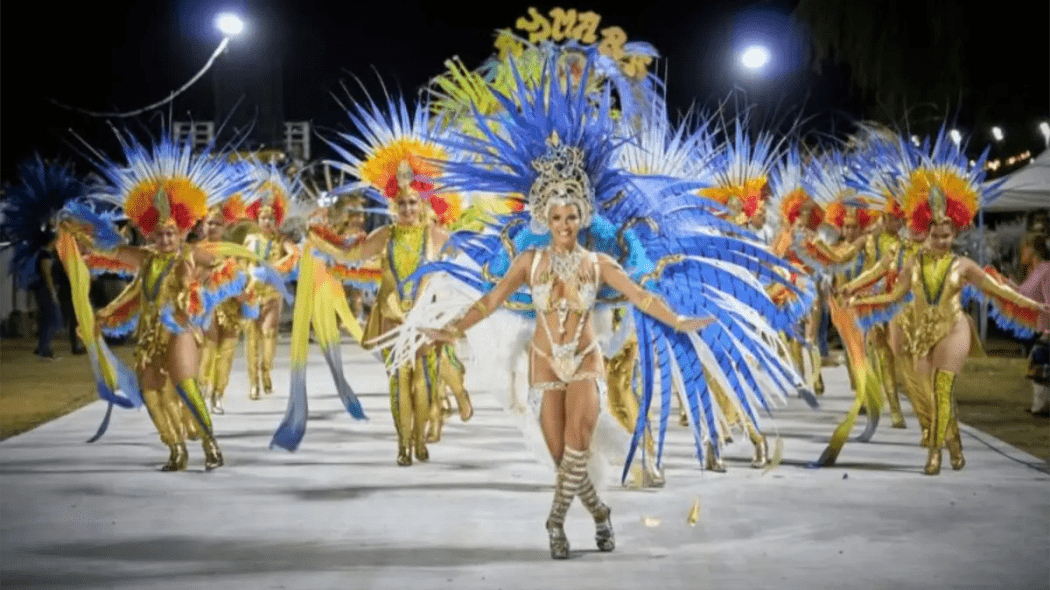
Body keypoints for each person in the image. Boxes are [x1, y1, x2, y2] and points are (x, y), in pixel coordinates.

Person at [423, 133, 714, 559]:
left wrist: (678, 321)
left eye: (571, 216)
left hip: (584, 362)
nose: (564, 224)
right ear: (544, 218)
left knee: (579, 441)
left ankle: (555, 523)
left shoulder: (599, 264)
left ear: (583, 218)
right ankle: (599, 513)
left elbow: (641, 297)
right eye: (556, 217)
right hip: (544, 364)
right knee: (563, 461)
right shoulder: (529, 262)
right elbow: (490, 301)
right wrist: (453, 329)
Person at [847, 137, 1050, 475]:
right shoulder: (909, 260)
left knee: (942, 391)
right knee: (924, 391)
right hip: (919, 330)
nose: (942, 241)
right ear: (924, 232)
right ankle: (952, 440)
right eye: (935, 235)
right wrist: (862, 297)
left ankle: (936, 453)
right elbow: (893, 294)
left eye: (947, 235)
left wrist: (1038, 307)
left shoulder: (964, 265)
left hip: (953, 329)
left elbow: (1002, 293)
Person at [243, 168, 300, 400]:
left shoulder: (282, 240)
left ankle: (266, 373)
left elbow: (294, 254)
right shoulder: (250, 240)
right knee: (251, 338)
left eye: (270, 218)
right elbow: (241, 262)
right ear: (257, 219)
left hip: (273, 294)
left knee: (269, 336)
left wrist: (275, 269)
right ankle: (253, 383)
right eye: (263, 218)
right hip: (251, 293)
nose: (266, 222)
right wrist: (251, 274)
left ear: (277, 220)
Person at [1018, 232, 1050, 415]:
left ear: (1033, 250)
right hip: (1040, 327)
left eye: (1024, 248)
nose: (1021, 252)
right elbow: (1021, 294)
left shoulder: (1046, 270)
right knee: (1039, 363)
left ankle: (1043, 406)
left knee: (1041, 361)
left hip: (1047, 328)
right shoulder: (1037, 271)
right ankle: (1041, 405)